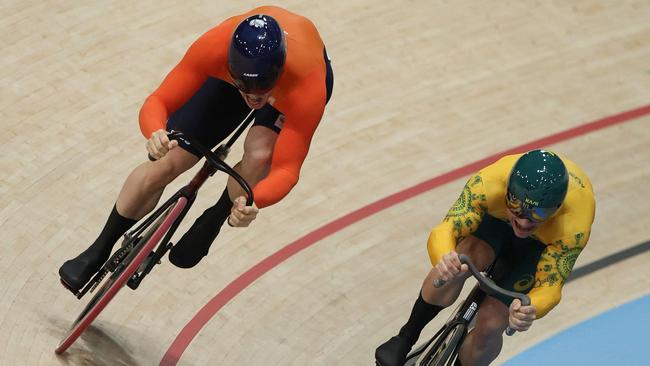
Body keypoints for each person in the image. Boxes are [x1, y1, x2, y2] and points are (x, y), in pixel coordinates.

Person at [59, 5, 334, 292]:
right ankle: (100, 246)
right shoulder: (213, 46)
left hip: (290, 88)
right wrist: (155, 133)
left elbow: (287, 168)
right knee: (167, 161)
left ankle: (220, 212)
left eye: (262, 89)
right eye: (245, 87)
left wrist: (253, 201)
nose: (253, 97)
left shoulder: (307, 85)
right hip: (238, 80)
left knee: (260, 153)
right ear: (229, 65)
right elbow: (158, 101)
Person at [375, 149, 595, 366]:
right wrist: (445, 258)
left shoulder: (574, 225)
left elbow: (550, 287)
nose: (525, 222)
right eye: (516, 206)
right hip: (497, 222)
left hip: (539, 248)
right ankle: (405, 337)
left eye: (539, 214)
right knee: (459, 262)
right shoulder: (488, 182)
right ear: (507, 190)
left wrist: (531, 308)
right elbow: (446, 230)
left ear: (557, 209)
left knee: (490, 324)